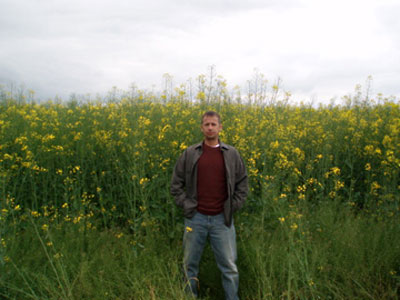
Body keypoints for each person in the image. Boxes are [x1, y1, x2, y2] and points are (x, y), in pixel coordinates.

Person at [171, 111, 248, 300]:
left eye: (214, 124)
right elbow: (176, 184)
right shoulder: (190, 153)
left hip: (222, 219)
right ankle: (190, 297)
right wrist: (187, 205)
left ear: (220, 127)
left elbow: (242, 183)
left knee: (229, 267)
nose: (210, 128)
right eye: (207, 124)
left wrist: (233, 206)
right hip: (195, 218)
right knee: (189, 265)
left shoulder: (231, 154)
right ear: (201, 128)